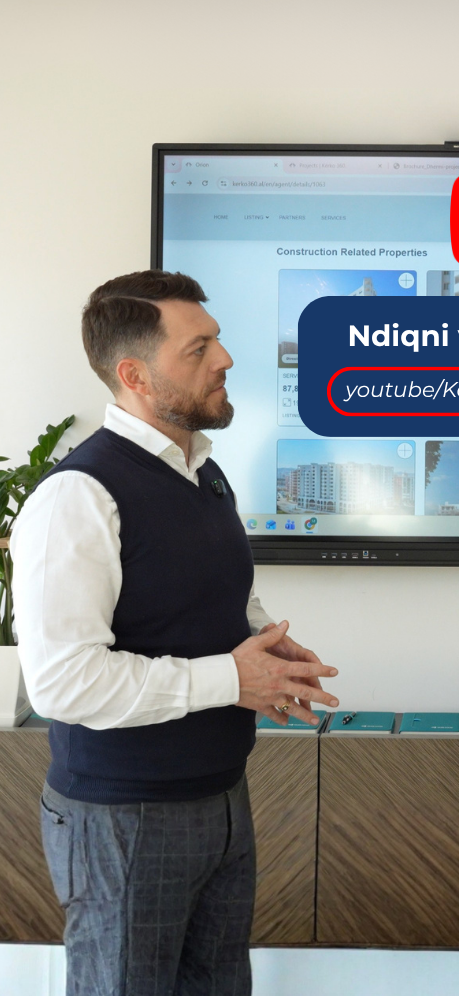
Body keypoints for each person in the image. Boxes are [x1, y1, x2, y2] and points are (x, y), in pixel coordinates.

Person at [11, 270, 341, 996]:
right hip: (120, 820)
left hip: (221, 800)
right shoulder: (78, 496)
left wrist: (266, 645)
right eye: (199, 349)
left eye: (217, 340)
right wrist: (231, 678)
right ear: (134, 375)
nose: (224, 359)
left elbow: (216, 596)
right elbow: (62, 682)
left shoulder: (204, 474)